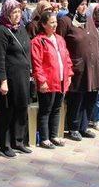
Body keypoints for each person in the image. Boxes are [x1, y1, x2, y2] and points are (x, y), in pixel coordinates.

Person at [57, 0, 99, 141]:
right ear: (74, 5)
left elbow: (96, 41)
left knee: (90, 96)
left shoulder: (89, 20)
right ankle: (73, 127)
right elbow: (60, 45)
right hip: (77, 67)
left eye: (85, 4)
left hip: (93, 66)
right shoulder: (65, 21)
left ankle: (84, 126)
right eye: (81, 4)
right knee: (76, 98)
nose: (84, 7)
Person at [0, 0, 32, 157]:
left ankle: (19, 141)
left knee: (22, 109)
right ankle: (5, 144)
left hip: (23, 77)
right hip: (9, 77)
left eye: (18, 12)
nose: (17, 15)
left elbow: (26, 51)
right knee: (7, 111)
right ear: (6, 13)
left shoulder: (21, 28)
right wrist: (3, 80)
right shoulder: (1, 30)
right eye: (13, 12)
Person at [31, 11, 73, 149]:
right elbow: (37, 63)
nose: (55, 25)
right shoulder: (38, 41)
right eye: (51, 23)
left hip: (61, 80)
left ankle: (54, 135)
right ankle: (44, 138)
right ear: (43, 24)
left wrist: (69, 75)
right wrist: (41, 80)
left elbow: (66, 58)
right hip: (48, 81)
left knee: (56, 109)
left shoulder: (60, 39)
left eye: (55, 22)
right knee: (45, 110)